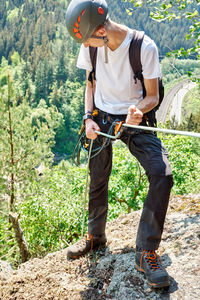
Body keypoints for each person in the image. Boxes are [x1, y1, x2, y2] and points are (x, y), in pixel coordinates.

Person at [65, 0, 173, 288]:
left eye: (88, 39)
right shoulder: (91, 45)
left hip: (133, 117)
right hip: (101, 116)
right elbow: (90, 84)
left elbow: (153, 95)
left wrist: (138, 110)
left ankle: (146, 251)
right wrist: (88, 119)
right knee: (97, 176)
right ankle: (95, 237)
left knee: (162, 175)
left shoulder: (144, 47)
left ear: (101, 30)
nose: (85, 45)